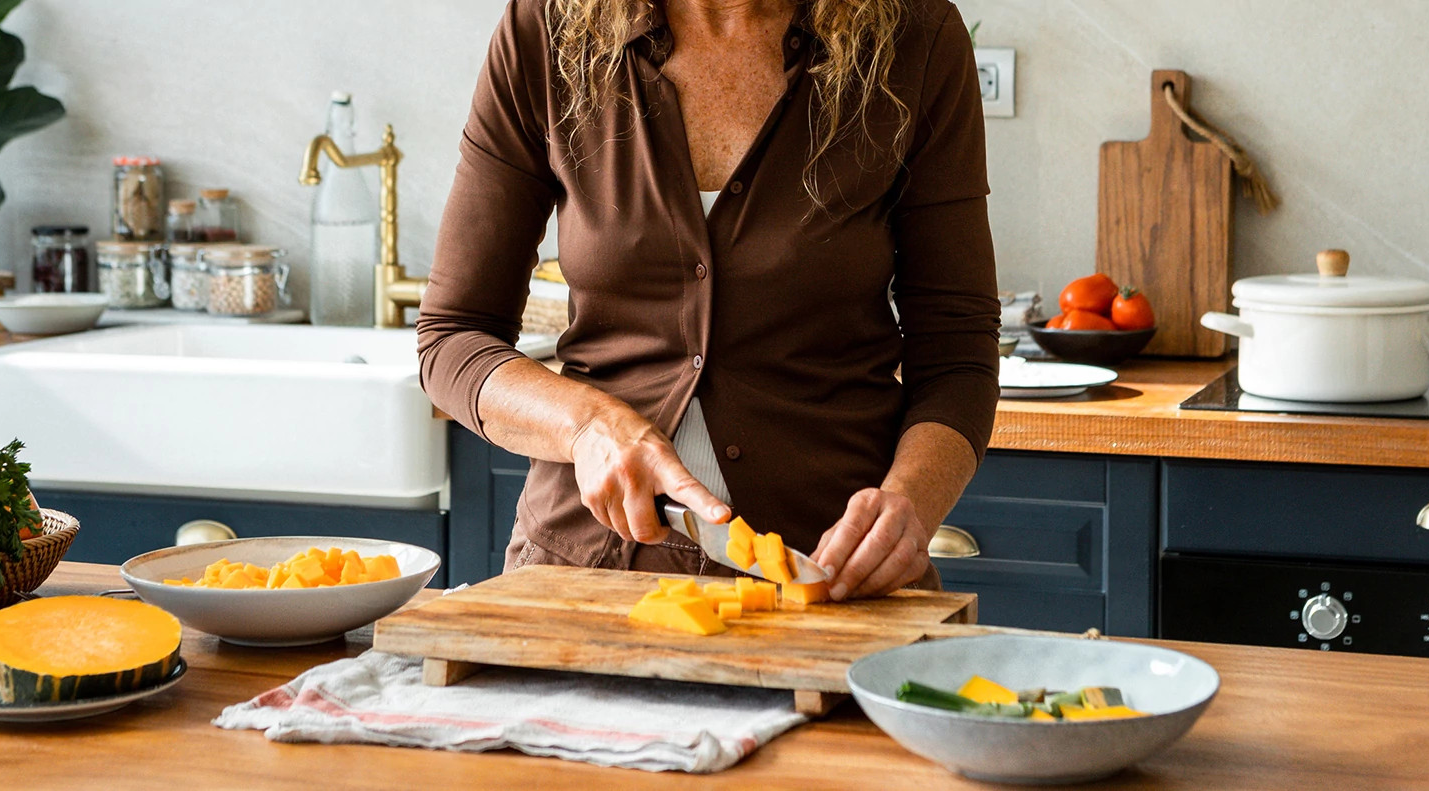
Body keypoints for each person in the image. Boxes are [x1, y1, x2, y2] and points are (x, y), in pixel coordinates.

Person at [417, 0, 997, 601]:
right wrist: (587, 426)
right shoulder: (546, 27)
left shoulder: (916, 38)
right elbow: (453, 337)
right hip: (582, 574)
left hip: (831, 574)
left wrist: (911, 504)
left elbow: (958, 347)